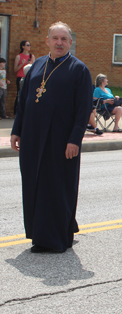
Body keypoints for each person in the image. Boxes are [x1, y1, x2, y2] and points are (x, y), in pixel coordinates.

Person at [10, 22, 93, 253]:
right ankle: (39, 234)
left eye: (63, 39)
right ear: (47, 40)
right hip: (32, 137)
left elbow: (83, 109)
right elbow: (23, 102)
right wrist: (16, 130)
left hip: (61, 140)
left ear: (70, 42)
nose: (59, 43)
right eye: (55, 38)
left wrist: (75, 140)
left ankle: (56, 238)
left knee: (57, 187)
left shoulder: (79, 70)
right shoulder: (36, 65)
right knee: (34, 184)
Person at [13, 40, 35, 114]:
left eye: (29, 45)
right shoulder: (19, 56)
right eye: (27, 45)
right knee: (20, 94)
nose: (29, 46)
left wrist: (29, 64)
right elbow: (15, 69)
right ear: (23, 46)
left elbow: (34, 68)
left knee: (29, 94)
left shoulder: (32, 56)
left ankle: (27, 111)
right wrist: (22, 64)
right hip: (20, 77)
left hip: (29, 78)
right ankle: (17, 111)